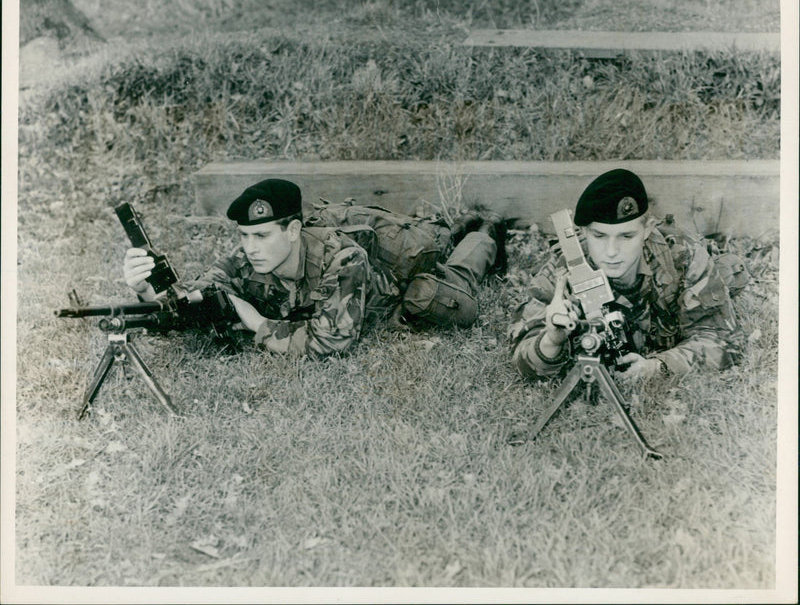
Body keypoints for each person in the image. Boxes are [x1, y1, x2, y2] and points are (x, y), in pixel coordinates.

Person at [124, 178, 503, 357]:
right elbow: (193, 301)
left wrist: (255, 321)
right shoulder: (246, 259)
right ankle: (457, 227)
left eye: (261, 236)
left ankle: (486, 229)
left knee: (453, 279)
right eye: (244, 236)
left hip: (398, 278)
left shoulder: (343, 259)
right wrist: (148, 291)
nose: (249, 248)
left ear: (292, 230)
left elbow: (331, 342)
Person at [508, 168, 743, 384]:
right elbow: (522, 358)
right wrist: (552, 339)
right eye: (599, 236)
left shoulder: (684, 257)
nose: (611, 252)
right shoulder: (565, 272)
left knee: (729, 274)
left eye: (626, 236)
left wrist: (658, 367)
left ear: (648, 229)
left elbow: (723, 340)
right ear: (583, 233)